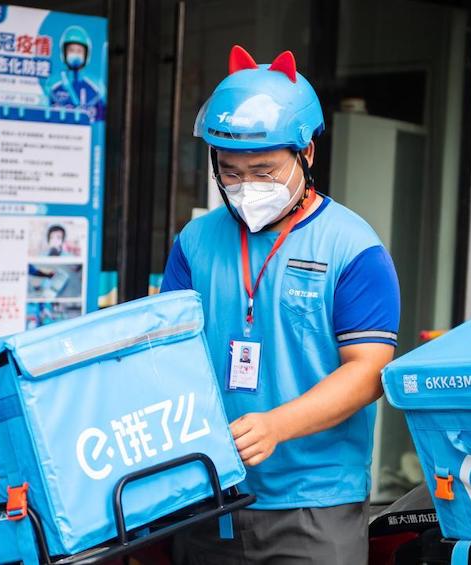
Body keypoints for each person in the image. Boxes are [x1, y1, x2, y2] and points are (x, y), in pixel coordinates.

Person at [162, 45, 400, 564]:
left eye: (264, 171)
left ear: (306, 154)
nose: (246, 186)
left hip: (315, 503)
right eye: (230, 171)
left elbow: (368, 372)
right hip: (209, 498)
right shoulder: (194, 241)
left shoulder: (353, 247)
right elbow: (168, 354)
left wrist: (277, 425)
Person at [49, 26, 105, 121]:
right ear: (64, 53)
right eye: (71, 50)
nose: (75, 54)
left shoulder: (96, 87)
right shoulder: (53, 85)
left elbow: (101, 118)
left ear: (86, 55)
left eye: (79, 51)